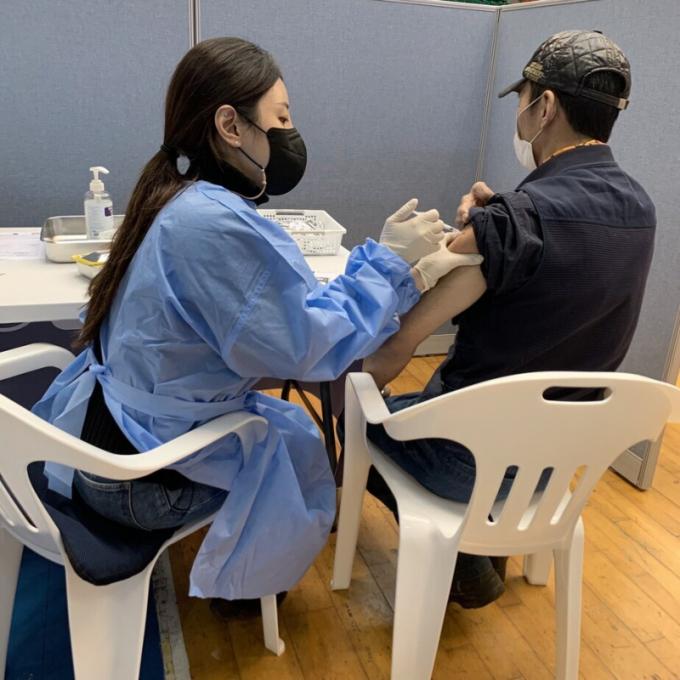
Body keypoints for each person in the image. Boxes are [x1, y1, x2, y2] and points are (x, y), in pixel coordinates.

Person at [32, 37, 481, 605]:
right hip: (138, 480)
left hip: (110, 434)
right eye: (282, 118)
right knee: (298, 450)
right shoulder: (216, 225)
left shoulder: (179, 199)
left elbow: (293, 315)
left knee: (286, 431)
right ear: (230, 124)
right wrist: (393, 267)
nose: (291, 134)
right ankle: (243, 594)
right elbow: (310, 348)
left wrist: (404, 274)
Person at [360, 30, 656, 608]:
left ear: (545, 107)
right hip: (560, 464)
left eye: (523, 99)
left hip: (469, 461)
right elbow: (559, 253)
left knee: (360, 421)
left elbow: (399, 346)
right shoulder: (640, 210)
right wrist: (495, 220)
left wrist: (342, 380)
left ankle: (467, 558)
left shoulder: (511, 223)